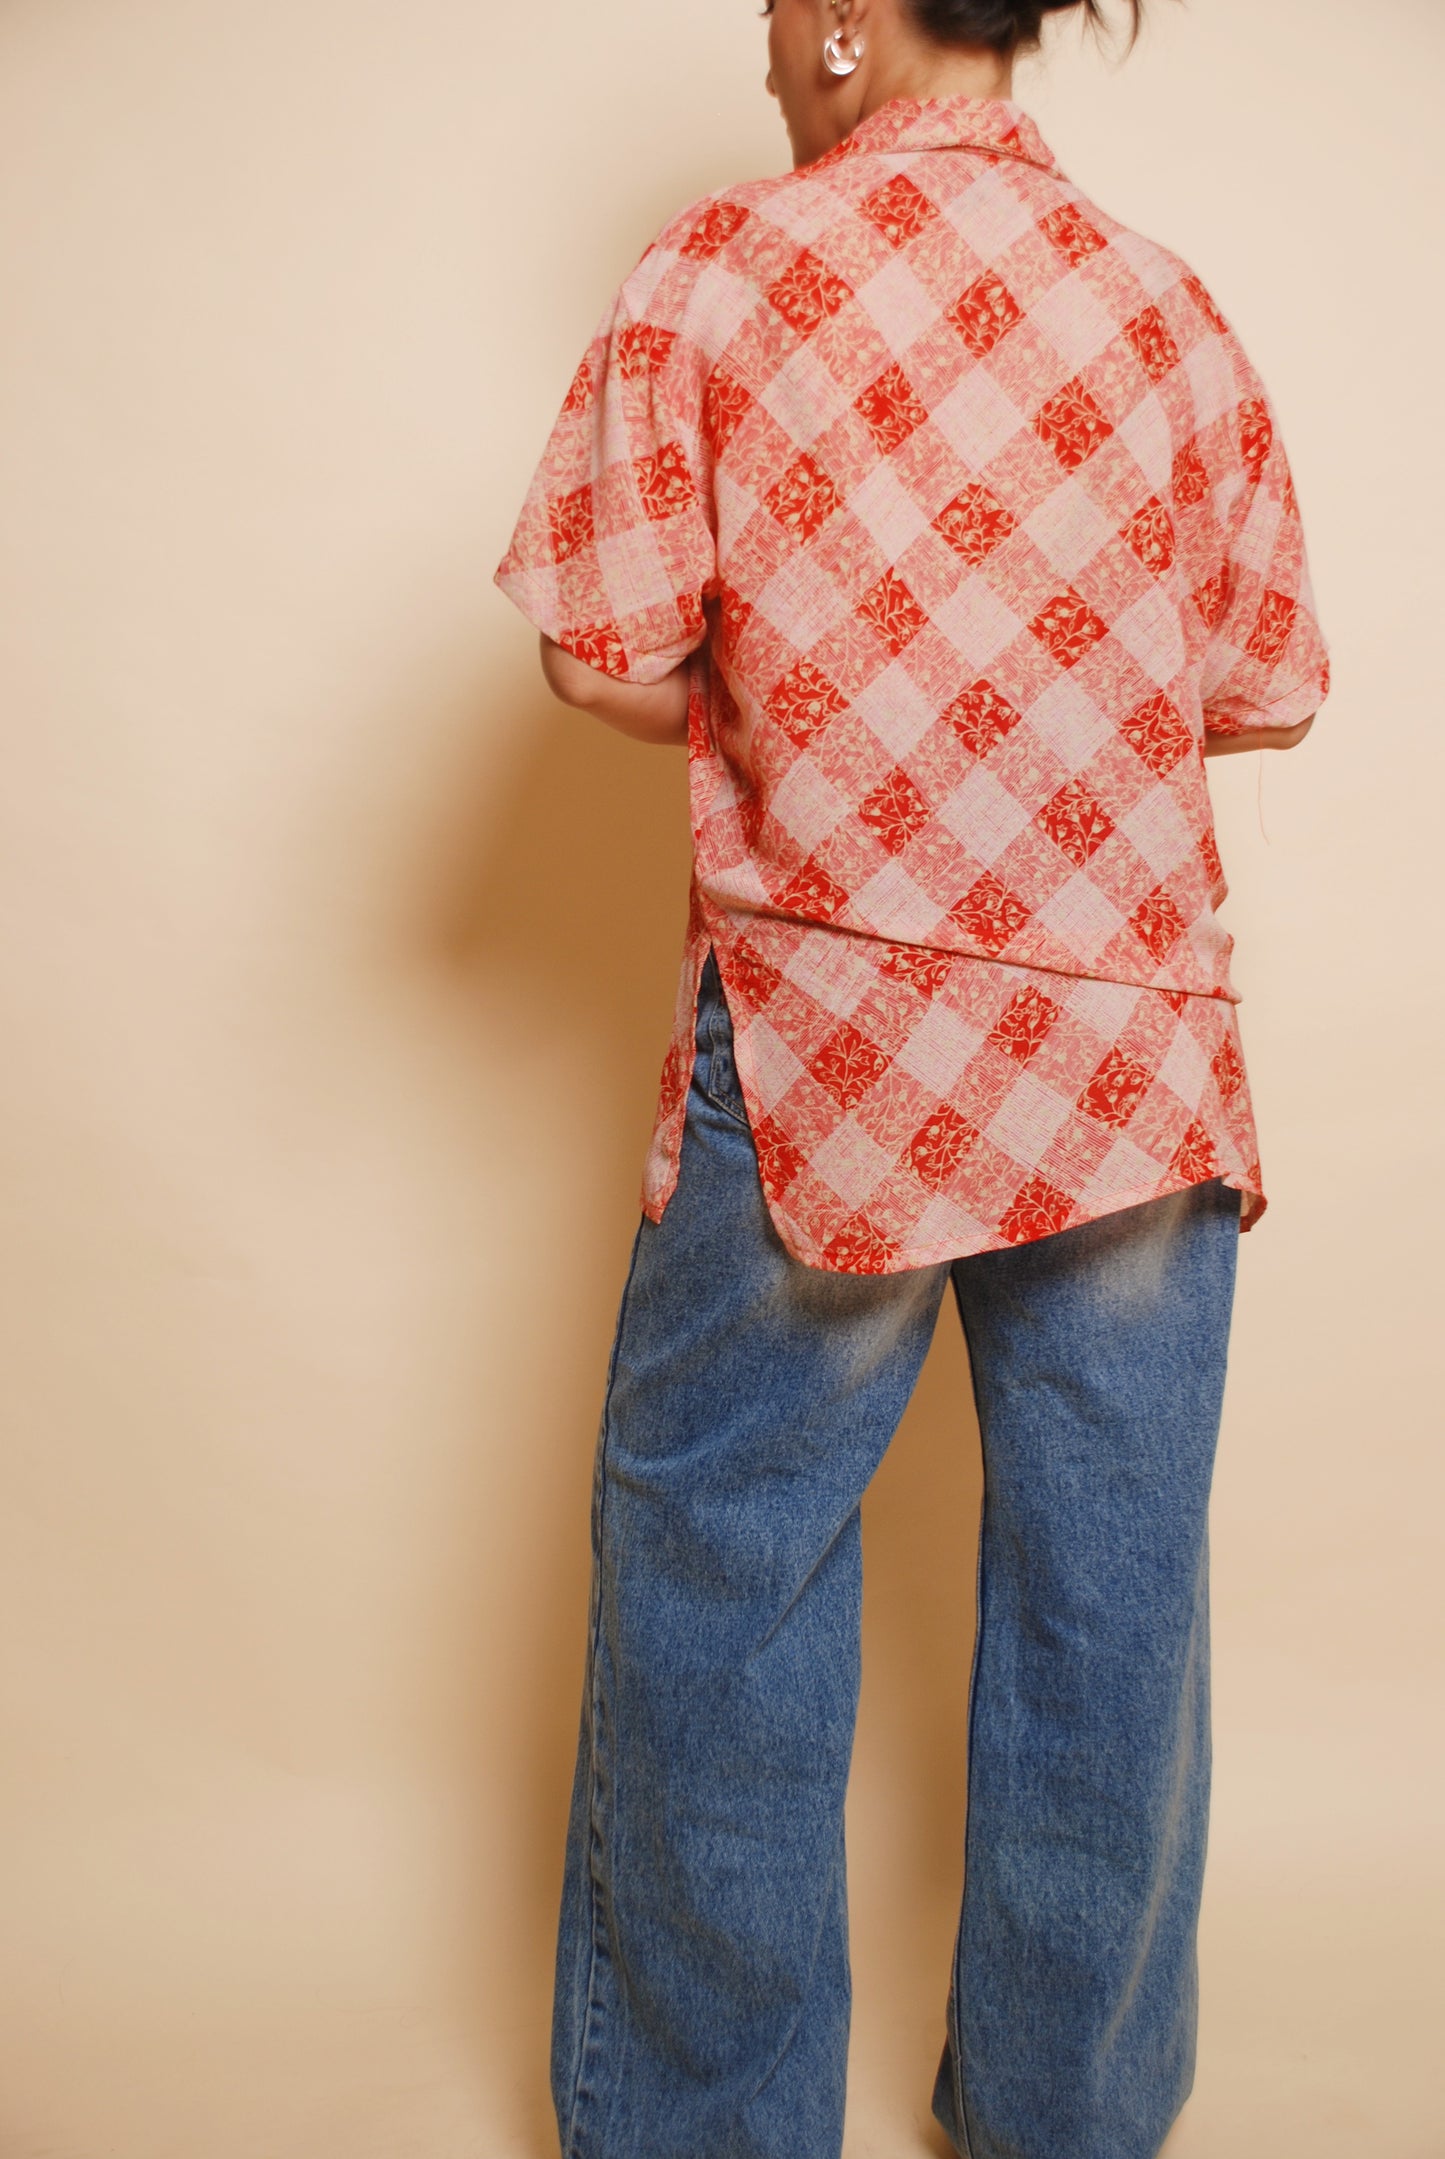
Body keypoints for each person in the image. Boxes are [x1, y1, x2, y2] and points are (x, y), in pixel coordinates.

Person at [494, 0, 1328, 2151]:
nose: (765, 39)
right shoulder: (1162, 307)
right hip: (1132, 1035)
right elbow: (1261, 683)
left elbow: (604, 650)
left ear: (849, 18)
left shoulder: (721, 271)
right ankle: (1069, 2117)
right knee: (1110, 1591)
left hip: (831, 1027)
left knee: (725, 1564)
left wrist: (815, 713)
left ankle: (704, 2123)